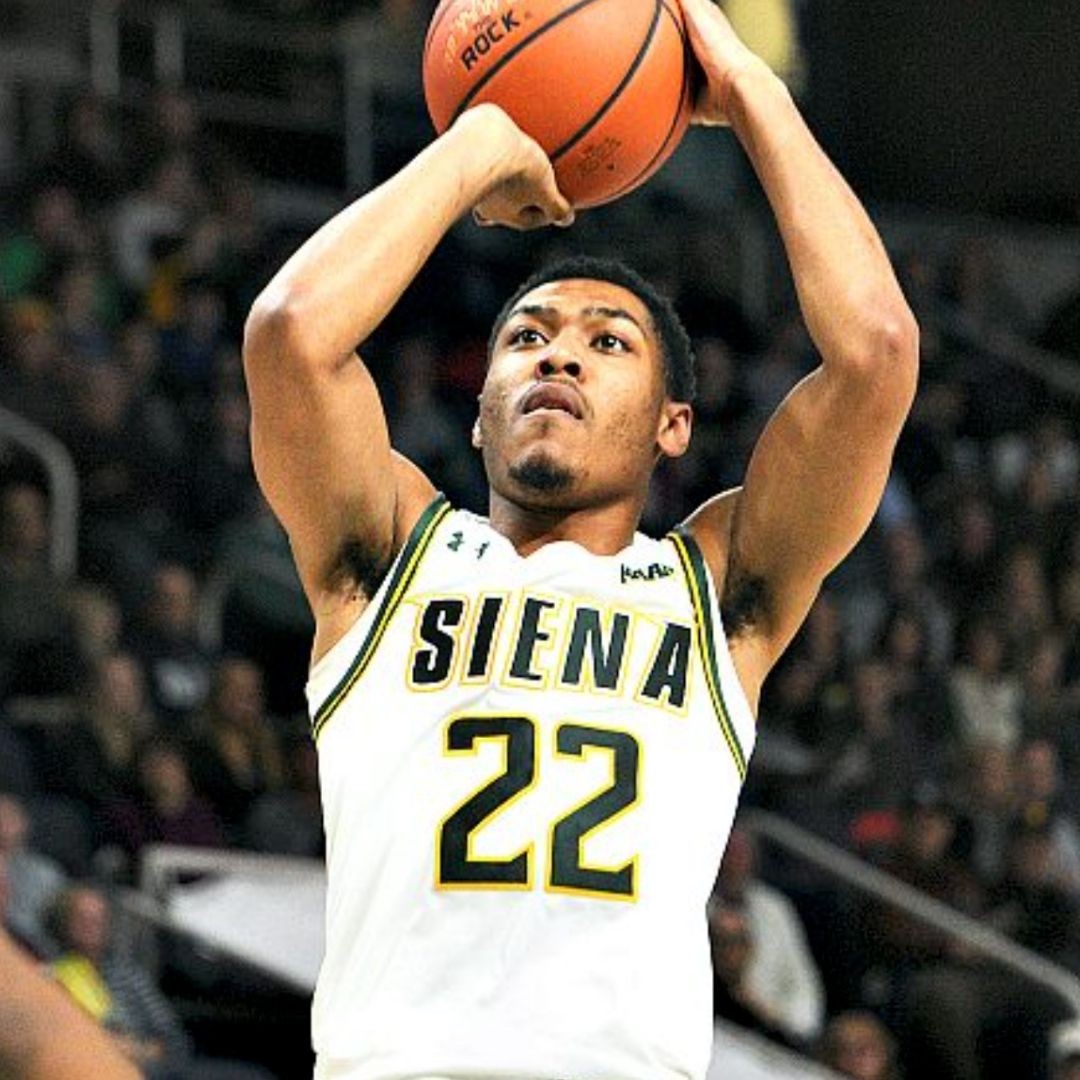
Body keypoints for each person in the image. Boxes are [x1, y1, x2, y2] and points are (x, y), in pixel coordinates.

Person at [241, 0, 918, 1076]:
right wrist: (475, 145)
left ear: (671, 425)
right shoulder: (387, 556)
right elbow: (290, 332)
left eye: (607, 342)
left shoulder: (716, 590)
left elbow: (877, 353)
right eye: (525, 337)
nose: (558, 358)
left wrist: (749, 91)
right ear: (478, 409)